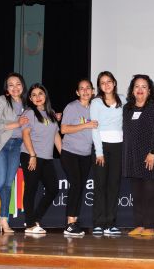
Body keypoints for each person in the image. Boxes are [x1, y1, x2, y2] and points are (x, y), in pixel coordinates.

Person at [0, 73, 29, 233]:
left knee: (8, 184)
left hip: (17, 146)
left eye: (18, 84)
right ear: (7, 88)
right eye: (11, 85)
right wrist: (16, 123)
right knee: (0, 181)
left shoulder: (27, 104)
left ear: (23, 86)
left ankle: (4, 220)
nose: (15, 87)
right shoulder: (1, 101)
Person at [122, 74, 154, 237]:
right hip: (132, 156)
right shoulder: (127, 108)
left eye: (144, 87)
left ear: (149, 90)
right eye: (137, 86)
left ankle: (150, 226)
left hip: (149, 156)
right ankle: (139, 225)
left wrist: (153, 152)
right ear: (132, 90)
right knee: (137, 194)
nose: (140, 90)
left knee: (149, 193)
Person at [20, 83, 62, 234]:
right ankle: (30, 225)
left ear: (45, 96)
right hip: (31, 155)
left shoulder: (51, 114)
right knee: (31, 189)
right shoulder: (29, 113)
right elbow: (25, 134)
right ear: (30, 99)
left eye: (40, 94)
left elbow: (55, 135)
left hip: (47, 158)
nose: (38, 97)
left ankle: (35, 218)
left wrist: (64, 155)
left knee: (53, 188)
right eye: (34, 95)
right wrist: (32, 155)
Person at [60, 79, 98, 236]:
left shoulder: (95, 108)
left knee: (80, 187)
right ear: (77, 92)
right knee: (76, 184)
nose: (85, 91)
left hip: (86, 155)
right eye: (81, 89)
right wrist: (85, 125)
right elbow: (63, 129)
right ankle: (69, 224)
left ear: (92, 91)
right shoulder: (71, 107)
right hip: (70, 153)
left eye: (88, 88)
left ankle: (74, 221)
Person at [90, 71, 126, 236]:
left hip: (118, 147)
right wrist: (99, 152)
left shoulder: (123, 99)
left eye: (109, 81)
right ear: (99, 86)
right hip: (101, 148)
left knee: (113, 186)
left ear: (114, 82)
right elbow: (94, 127)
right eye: (102, 82)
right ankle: (99, 222)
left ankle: (111, 223)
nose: (106, 85)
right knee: (100, 185)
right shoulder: (96, 102)